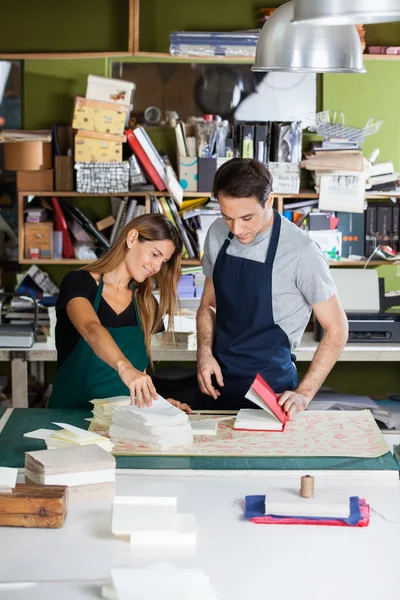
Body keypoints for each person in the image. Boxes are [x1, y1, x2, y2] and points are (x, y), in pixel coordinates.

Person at [195, 158, 348, 418]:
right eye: (227, 216)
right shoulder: (218, 233)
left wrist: (304, 393)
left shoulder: (302, 252)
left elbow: (337, 327)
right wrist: (204, 354)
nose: (237, 229)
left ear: (269, 200)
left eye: (246, 217)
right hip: (216, 386)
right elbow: (208, 304)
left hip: (271, 394)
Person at [48, 213, 190, 412]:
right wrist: (124, 367)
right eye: (155, 254)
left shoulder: (147, 304)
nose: (157, 267)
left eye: (163, 261)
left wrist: (160, 405)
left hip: (120, 423)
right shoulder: (79, 283)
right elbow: (91, 328)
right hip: (69, 419)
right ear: (132, 238)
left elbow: (139, 375)